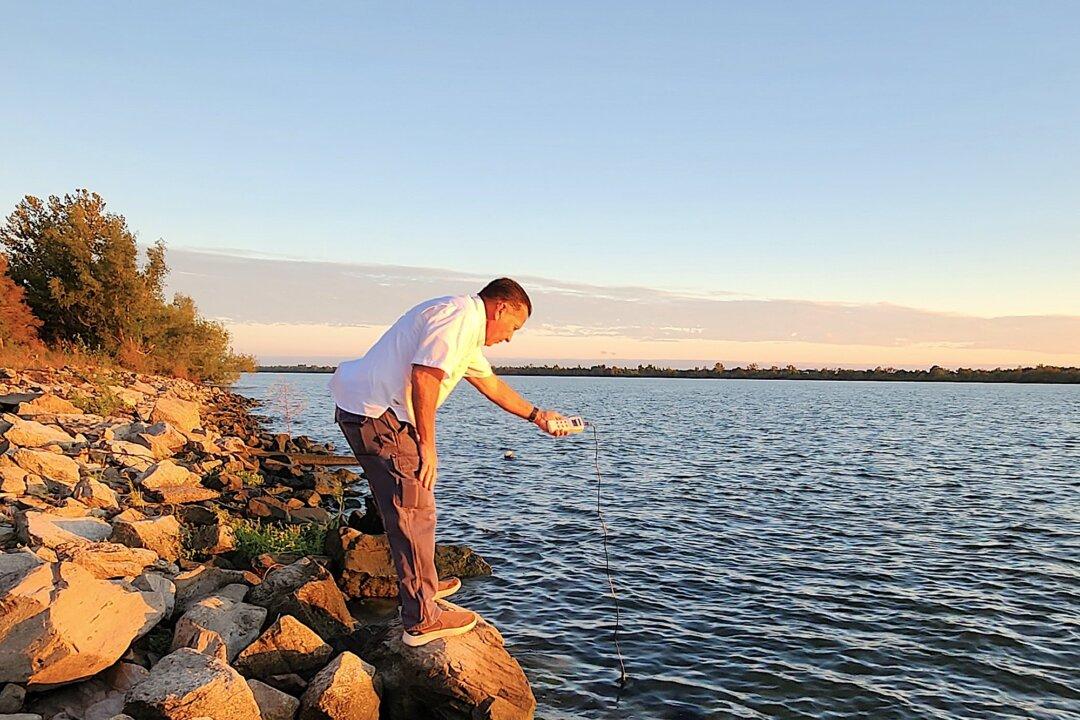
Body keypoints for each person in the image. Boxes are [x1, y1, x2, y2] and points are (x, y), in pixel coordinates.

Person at [330, 278, 572, 647]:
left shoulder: (464, 329)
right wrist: (427, 444)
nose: (510, 338)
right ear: (501, 308)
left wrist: (538, 416)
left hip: (368, 409)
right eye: (514, 327)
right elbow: (425, 376)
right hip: (381, 415)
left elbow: (491, 384)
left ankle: (423, 587)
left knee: (411, 507)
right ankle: (422, 618)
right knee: (414, 510)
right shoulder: (459, 317)